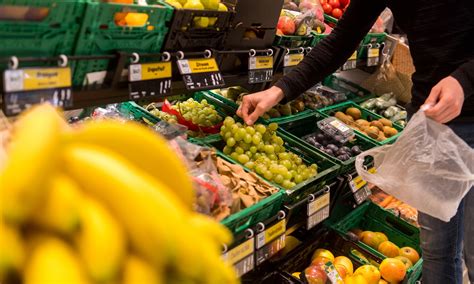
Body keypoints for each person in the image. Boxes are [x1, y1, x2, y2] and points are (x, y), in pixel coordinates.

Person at [237, 1, 474, 283]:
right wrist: (279, 90)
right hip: (430, 120)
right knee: (438, 250)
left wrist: (463, 80)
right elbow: (341, 40)